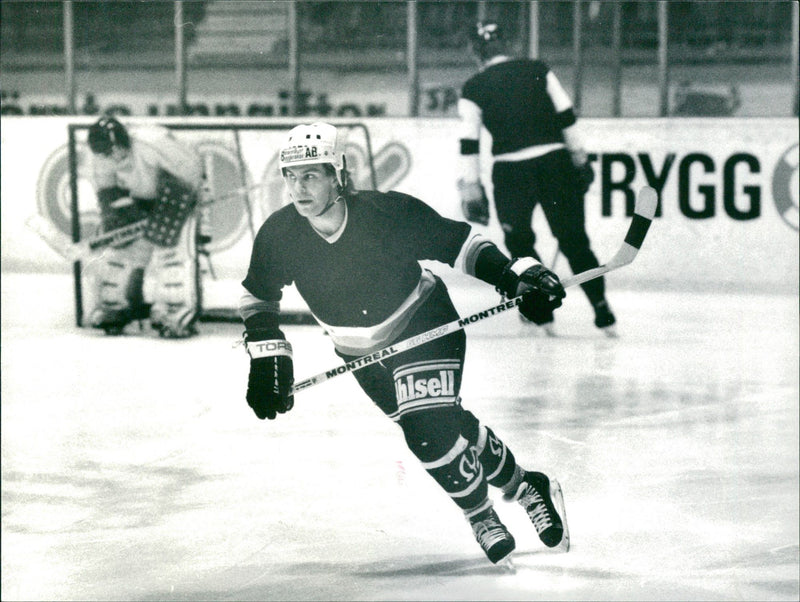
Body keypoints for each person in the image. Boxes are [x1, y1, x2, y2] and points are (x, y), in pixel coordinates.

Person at [239, 122, 570, 564]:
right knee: (446, 425)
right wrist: (266, 355)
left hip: (424, 324)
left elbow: (460, 243)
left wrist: (512, 276)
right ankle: (527, 485)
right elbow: (257, 295)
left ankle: (481, 515)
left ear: (338, 174)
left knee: (427, 432)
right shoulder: (280, 233)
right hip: (358, 354)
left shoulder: (383, 213)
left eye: (312, 175)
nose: (299, 188)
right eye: (292, 176)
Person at [457, 21, 617, 336]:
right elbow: (566, 116)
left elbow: (469, 143)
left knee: (520, 245)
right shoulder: (538, 68)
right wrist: (580, 159)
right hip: (555, 164)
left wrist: (472, 187)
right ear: (506, 44)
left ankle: (541, 314)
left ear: (476, 51)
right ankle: (601, 309)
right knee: (574, 241)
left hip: (511, 173)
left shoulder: (474, 86)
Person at [86, 115, 204, 338]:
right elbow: (106, 189)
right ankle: (116, 305)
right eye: (105, 154)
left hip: (176, 196)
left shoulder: (153, 142)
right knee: (119, 250)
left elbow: (191, 170)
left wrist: (171, 203)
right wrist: (117, 213)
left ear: (122, 141)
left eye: (113, 151)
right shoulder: (100, 153)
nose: (111, 158)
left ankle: (175, 309)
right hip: (137, 201)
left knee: (171, 254)